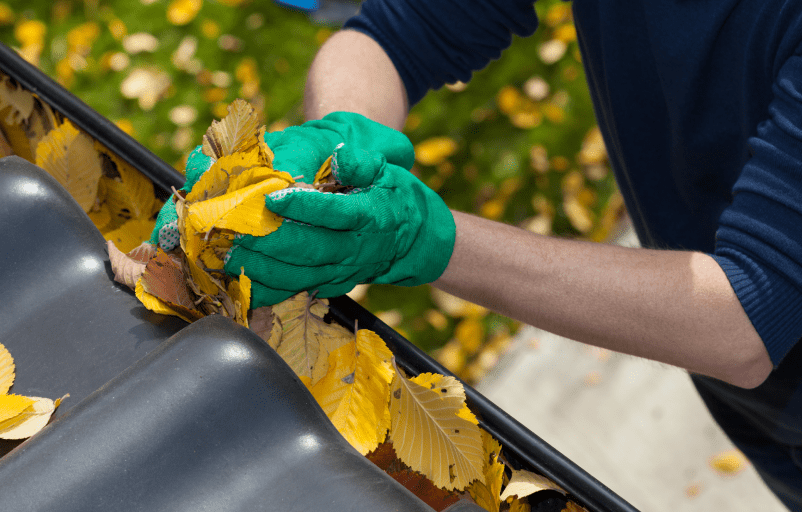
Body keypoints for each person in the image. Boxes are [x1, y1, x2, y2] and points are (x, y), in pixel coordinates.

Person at [152, 0, 802, 508]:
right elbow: (402, 29)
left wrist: (422, 238)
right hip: (758, 409)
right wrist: (335, 143)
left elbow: (743, 315)